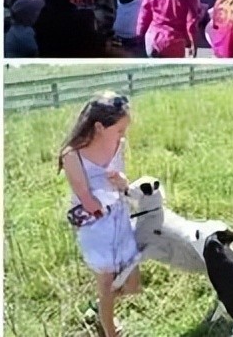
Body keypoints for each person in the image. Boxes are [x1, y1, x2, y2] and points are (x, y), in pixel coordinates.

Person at [59, 92, 139, 337]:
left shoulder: (118, 145)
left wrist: (123, 183)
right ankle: (109, 329)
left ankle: (100, 306)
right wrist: (109, 199)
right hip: (96, 225)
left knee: (132, 284)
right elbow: (87, 199)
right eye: (119, 130)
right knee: (106, 282)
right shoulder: (72, 155)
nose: (122, 136)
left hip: (121, 219)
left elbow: (124, 183)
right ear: (99, 127)